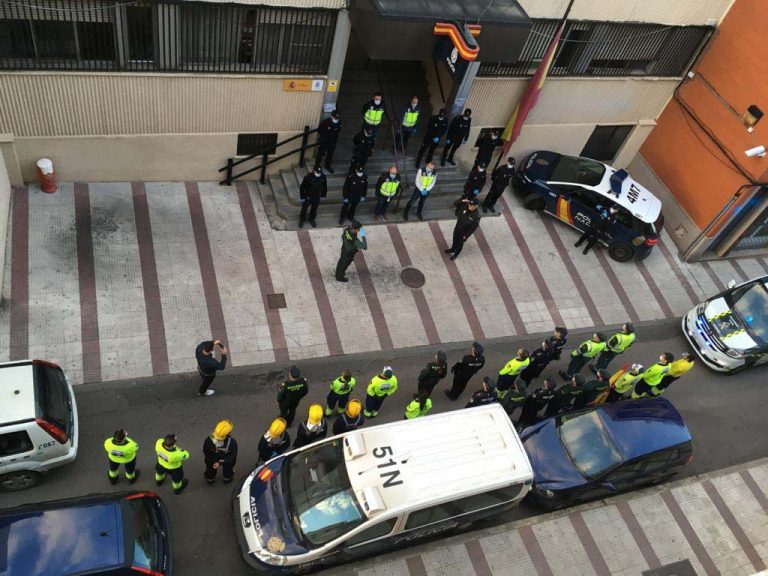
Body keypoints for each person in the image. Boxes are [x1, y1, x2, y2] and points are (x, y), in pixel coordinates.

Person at [203, 419, 237, 485]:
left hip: (212, 458)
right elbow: (232, 456)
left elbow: (206, 451)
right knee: (228, 469)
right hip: (225, 459)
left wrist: (215, 461)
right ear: (228, 433)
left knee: (210, 468)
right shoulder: (232, 442)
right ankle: (227, 479)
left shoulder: (209, 439)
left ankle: (210, 479)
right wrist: (220, 462)